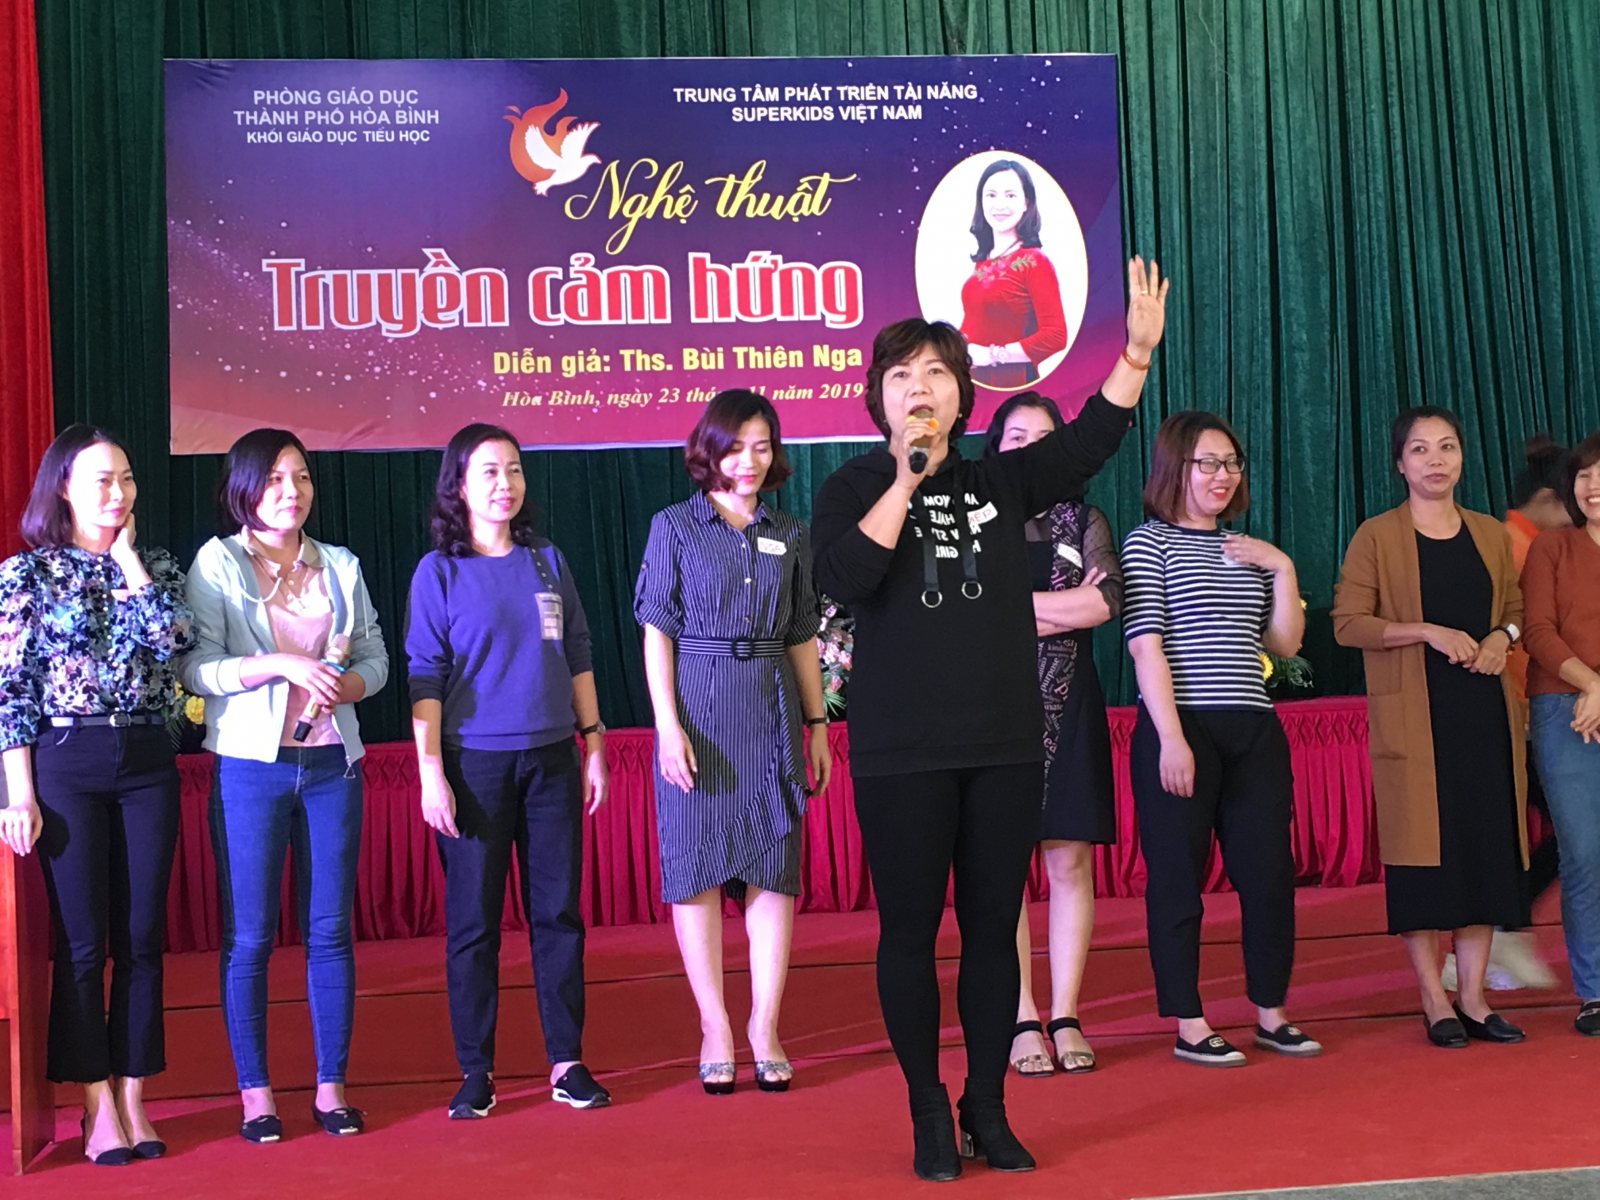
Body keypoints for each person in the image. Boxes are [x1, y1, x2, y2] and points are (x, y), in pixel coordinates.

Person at [811, 256, 1167, 1181]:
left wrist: (1133, 355)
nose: (919, 387)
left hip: (1003, 744)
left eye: (936, 372)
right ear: (880, 399)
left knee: (991, 927)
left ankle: (986, 1102)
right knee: (907, 933)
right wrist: (906, 479)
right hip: (900, 752)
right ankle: (928, 1107)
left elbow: (1087, 443)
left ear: (963, 394)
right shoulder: (851, 486)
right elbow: (844, 579)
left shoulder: (999, 483)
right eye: (902, 375)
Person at [179, 428, 388, 1143]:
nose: (289, 492)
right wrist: (280, 666)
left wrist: (343, 685)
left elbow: (374, 659)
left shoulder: (340, 565)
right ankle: (256, 1095)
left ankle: (331, 1088)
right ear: (243, 488)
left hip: (333, 765)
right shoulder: (218, 562)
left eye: (299, 477)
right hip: (250, 766)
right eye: (272, 479)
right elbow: (196, 670)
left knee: (330, 931)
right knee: (250, 936)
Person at [0, 425, 194, 1165]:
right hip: (66, 759)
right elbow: (11, 691)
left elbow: (172, 643)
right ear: (64, 488)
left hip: (146, 755)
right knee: (82, 945)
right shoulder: (26, 575)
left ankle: (135, 1094)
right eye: (102, 481)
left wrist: (129, 562)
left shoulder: (156, 565)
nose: (118, 493)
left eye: (127, 479)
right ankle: (94, 1101)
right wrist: (19, 792)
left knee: (141, 939)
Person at [406, 423, 612, 1120]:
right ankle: (477, 1070)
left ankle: (567, 1061)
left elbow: (577, 651)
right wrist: (430, 772)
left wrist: (593, 742)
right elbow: (425, 676)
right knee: (474, 923)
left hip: (552, 758)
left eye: (515, 469)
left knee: (558, 915)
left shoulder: (547, 560)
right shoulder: (438, 572)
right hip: (473, 766)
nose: (505, 483)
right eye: (489, 471)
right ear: (459, 487)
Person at [634, 389, 831, 1095]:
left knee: (774, 873)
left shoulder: (791, 532)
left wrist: (817, 724)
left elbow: (802, 634)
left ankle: (764, 1027)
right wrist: (666, 726)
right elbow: (657, 630)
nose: (750, 460)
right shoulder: (673, 527)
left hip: (771, 711)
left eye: (762, 446)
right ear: (708, 451)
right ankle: (715, 1026)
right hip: (698, 710)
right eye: (736, 446)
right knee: (697, 874)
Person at [1122, 412, 1318, 1068]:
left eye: (1231, 463)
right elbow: (1145, 646)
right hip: (1182, 725)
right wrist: (1171, 738)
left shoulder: (1247, 550)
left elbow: (1283, 643)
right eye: (1207, 463)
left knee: (1269, 875)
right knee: (1178, 880)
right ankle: (1189, 1019)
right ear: (1174, 467)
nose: (1222, 475)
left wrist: (1282, 566)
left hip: (1253, 725)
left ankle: (1271, 1012)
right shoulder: (1148, 543)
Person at [1332, 406, 1530, 1049]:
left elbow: (1517, 608)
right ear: (1400, 463)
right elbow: (1347, 623)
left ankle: (1473, 997)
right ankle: (1433, 998)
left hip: (1485, 719)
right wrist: (1425, 631)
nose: (1435, 460)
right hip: (1417, 724)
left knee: (1484, 855)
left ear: (1462, 458)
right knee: (1424, 863)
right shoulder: (1377, 536)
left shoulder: (1490, 534)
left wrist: (1501, 637)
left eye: (1447, 447)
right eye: (1420, 449)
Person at [981, 394, 1121, 1079]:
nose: (1030, 448)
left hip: (1071, 708)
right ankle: (1021, 1014)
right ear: (995, 447)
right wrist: (1056, 609)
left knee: (1069, 862)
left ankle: (1065, 1013)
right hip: (989, 710)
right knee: (1003, 868)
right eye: (1017, 437)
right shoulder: (970, 522)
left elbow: (1104, 602)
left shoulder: (1084, 520)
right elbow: (965, 614)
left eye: (1044, 437)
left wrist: (1009, 611)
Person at [1447, 434, 1570, 992]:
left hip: (1531, 717)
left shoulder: (1523, 543)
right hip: (1518, 719)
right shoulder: (1512, 547)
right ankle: (1498, 934)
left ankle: (1501, 934)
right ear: (1546, 500)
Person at [1521, 431, 1600, 1036]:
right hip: (1564, 710)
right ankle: (1595, 989)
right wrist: (1591, 685)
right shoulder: (1552, 546)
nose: (1592, 486)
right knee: (1584, 855)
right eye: (1584, 475)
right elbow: (1538, 630)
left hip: (1591, 699)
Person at [958, 159, 1068, 390]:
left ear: (1026, 202)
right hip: (972, 379)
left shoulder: (1035, 262)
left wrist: (994, 355)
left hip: (1010, 382)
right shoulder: (984, 260)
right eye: (991, 195)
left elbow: (1056, 336)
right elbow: (978, 322)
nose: (999, 205)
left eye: (1010, 195)